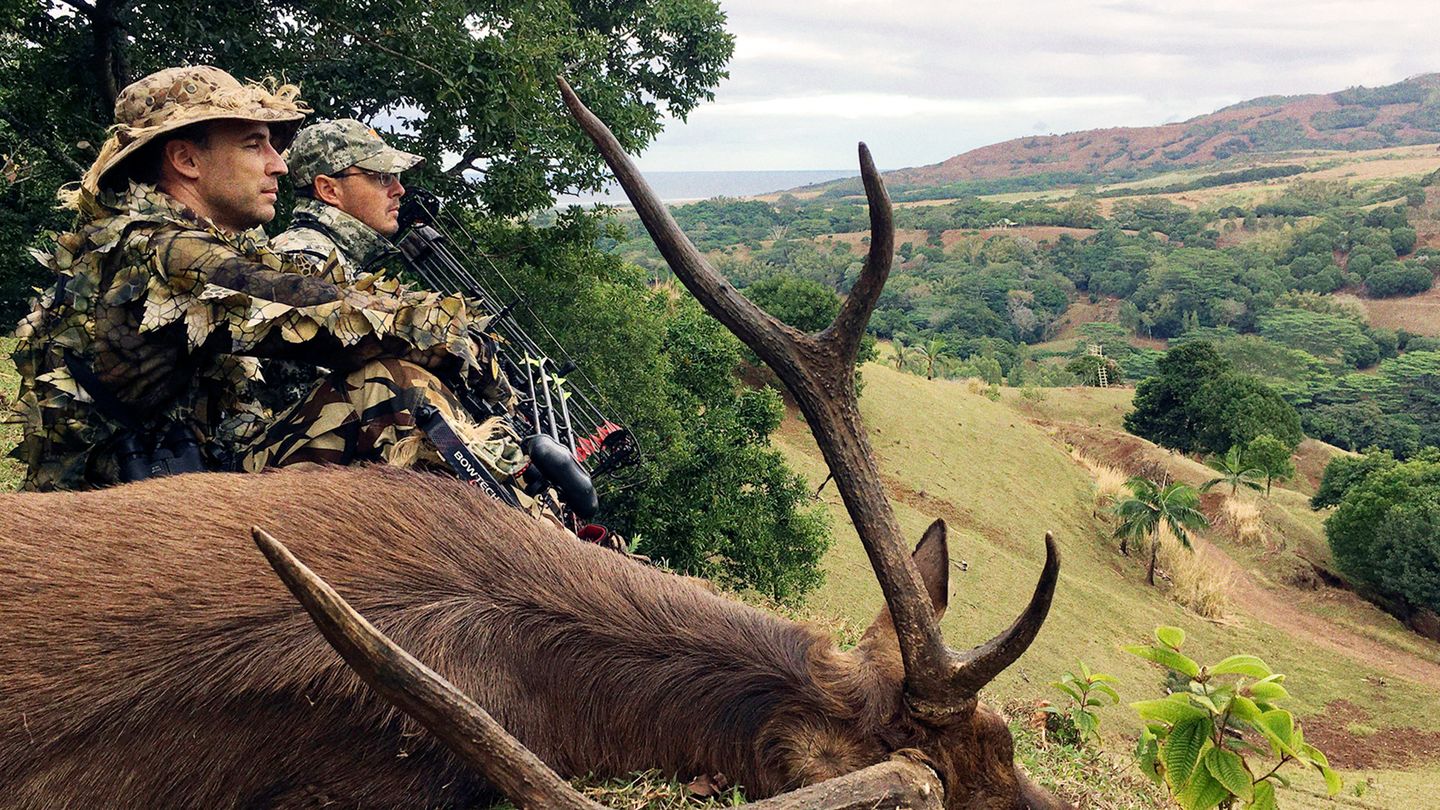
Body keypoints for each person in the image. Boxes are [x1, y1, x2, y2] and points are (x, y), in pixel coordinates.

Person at [7, 65, 533, 510]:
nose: (278, 163)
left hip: (177, 480)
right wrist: (469, 344)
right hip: (128, 514)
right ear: (187, 160)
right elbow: (333, 316)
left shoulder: (166, 242)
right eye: (254, 144)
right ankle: (539, 557)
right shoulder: (163, 252)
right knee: (389, 387)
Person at [270, 118, 420, 282]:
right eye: (384, 177)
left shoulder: (332, 259)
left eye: (396, 176)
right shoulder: (307, 264)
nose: (400, 190)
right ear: (329, 190)